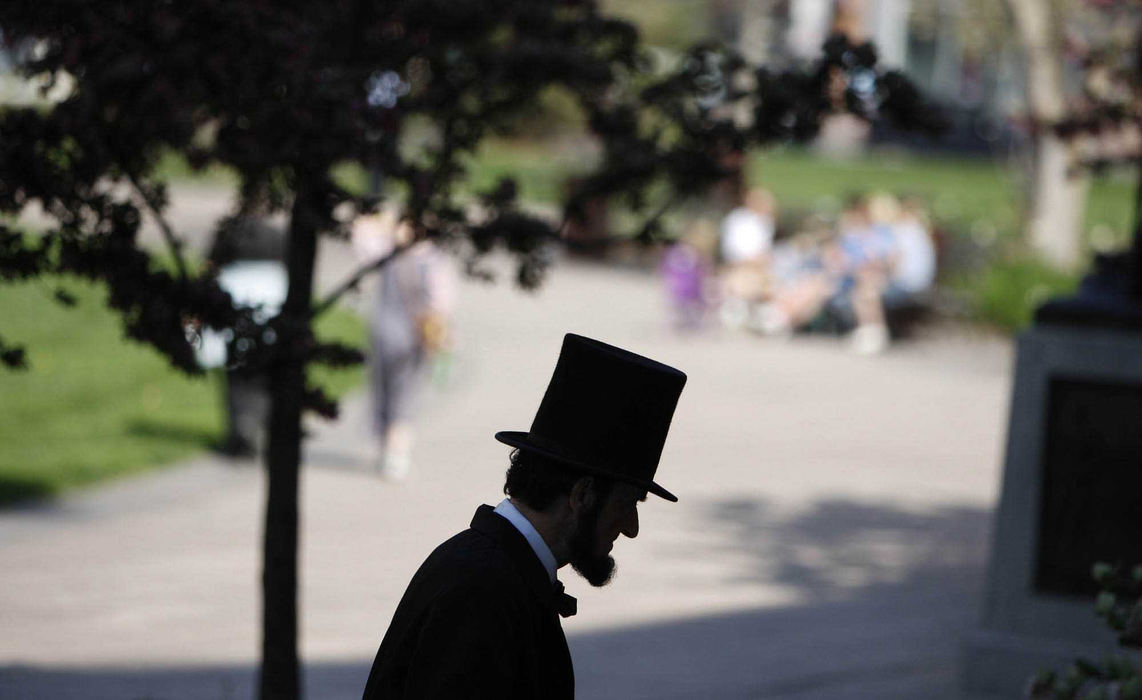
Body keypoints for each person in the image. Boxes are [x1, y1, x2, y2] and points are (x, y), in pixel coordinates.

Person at [361, 333, 687, 700]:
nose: (631, 527)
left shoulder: (497, 572)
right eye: (628, 503)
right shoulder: (483, 590)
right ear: (581, 495)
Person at [352, 208, 454, 480]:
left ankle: (392, 450)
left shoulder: (391, 255)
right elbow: (441, 304)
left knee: (392, 393)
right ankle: (394, 453)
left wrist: (380, 221)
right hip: (407, 337)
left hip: (394, 336)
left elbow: (362, 237)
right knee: (400, 395)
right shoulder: (430, 260)